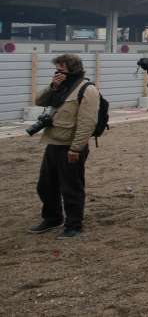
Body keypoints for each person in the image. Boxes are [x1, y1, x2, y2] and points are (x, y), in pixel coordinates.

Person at [29, 54, 100, 239]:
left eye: (62, 70)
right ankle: (52, 218)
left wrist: (76, 149)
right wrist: (53, 86)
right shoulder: (61, 88)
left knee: (71, 188)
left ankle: (74, 225)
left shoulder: (87, 89)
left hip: (70, 146)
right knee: (45, 186)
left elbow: (87, 123)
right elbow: (39, 101)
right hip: (53, 143)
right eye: (57, 70)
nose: (58, 73)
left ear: (73, 69)